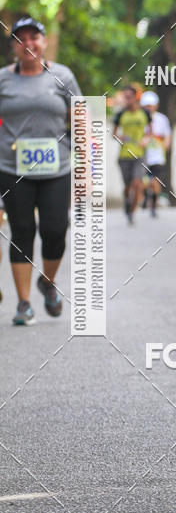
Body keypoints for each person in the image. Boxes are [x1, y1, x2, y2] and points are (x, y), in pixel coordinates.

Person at [0, 16, 82, 325]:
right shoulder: (3, 79)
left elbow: (80, 119)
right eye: (21, 39)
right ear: (13, 47)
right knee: (21, 232)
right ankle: (23, 304)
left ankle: (47, 282)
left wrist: (85, 165)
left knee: (55, 231)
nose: (28, 43)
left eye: (34, 37)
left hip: (56, 168)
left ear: (44, 42)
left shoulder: (63, 76)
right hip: (12, 168)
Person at [112, 85, 151, 224]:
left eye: (129, 96)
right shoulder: (120, 114)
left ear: (135, 97)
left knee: (137, 183)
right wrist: (119, 137)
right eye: (125, 97)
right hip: (124, 155)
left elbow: (149, 131)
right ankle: (127, 204)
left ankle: (132, 212)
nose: (126, 99)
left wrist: (146, 140)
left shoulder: (145, 113)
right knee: (128, 186)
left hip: (139, 154)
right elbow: (114, 134)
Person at [140, 90, 171, 216]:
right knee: (144, 181)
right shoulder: (140, 118)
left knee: (155, 181)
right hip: (143, 153)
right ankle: (146, 197)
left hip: (157, 154)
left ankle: (154, 204)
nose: (149, 107)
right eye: (146, 105)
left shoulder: (161, 118)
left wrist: (166, 144)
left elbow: (167, 134)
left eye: (150, 105)